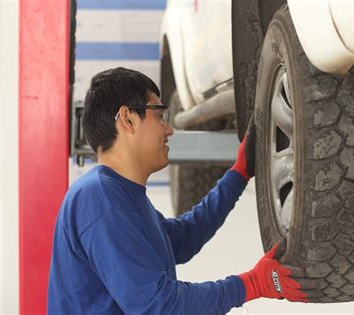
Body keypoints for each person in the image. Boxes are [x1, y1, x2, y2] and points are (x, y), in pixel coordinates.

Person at [47, 67, 319, 314]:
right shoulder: (100, 199)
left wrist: (238, 174)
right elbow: (156, 304)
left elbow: (184, 238)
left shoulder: (120, 196)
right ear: (128, 119)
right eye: (159, 114)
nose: (169, 129)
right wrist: (250, 284)